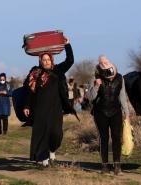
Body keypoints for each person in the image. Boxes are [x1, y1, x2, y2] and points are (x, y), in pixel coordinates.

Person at [23, 36, 74, 167]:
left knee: (56, 133)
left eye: (48, 59)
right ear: (40, 61)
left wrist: (67, 45)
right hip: (40, 109)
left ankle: (52, 150)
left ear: (51, 60)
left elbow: (70, 61)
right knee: (42, 134)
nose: (46, 62)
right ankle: (43, 159)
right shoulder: (36, 73)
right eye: (43, 60)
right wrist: (27, 105)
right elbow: (30, 91)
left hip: (56, 109)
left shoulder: (58, 70)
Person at [86, 55, 130, 175]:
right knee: (104, 138)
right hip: (100, 112)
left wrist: (127, 112)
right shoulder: (94, 78)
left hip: (116, 111)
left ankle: (117, 166)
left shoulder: (120, 78)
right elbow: (90, 97)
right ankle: (104, 165)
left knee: (117, 137)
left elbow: (122, 96)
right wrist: (96, 85)